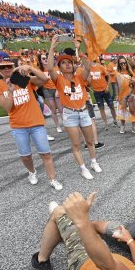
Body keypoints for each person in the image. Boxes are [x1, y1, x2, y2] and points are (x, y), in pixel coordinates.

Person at [0, 51, 63, 190]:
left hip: (36, 122)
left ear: (13, 65)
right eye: (2, 67)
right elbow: (7, 108)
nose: (6, 69)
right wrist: (10, 91)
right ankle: (32, 172)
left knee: (45, 153)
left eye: (9, 66)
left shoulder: (23, 78)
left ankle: (53, 179)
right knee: (25, 156)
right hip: (18, 126)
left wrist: (30, 68)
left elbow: (44, 79)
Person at [47, 34, 101, 180]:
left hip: (83, 112)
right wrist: (52, 48)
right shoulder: (58, 79)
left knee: (89, 141)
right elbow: (49, 68)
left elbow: (88, 67)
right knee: (76, 144)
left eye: (69, 62)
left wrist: (79, 49)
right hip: (70, 114)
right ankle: (83, 168)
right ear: (60, 67)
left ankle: (93, 162)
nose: (67, 64)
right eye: (63, 63)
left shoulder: (79, 77)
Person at [37, 52, 63, 133]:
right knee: (53, 110)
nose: (46, 60)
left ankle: (67, 124)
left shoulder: (55, 68)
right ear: (40, 61)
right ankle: (57, 126)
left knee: (61, 109)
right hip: (47, 90)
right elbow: (38, 83)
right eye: (43, 59)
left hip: (57, 89)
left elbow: (60, 80)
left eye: (46, 58)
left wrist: (58, 89)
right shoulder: (39, 70)